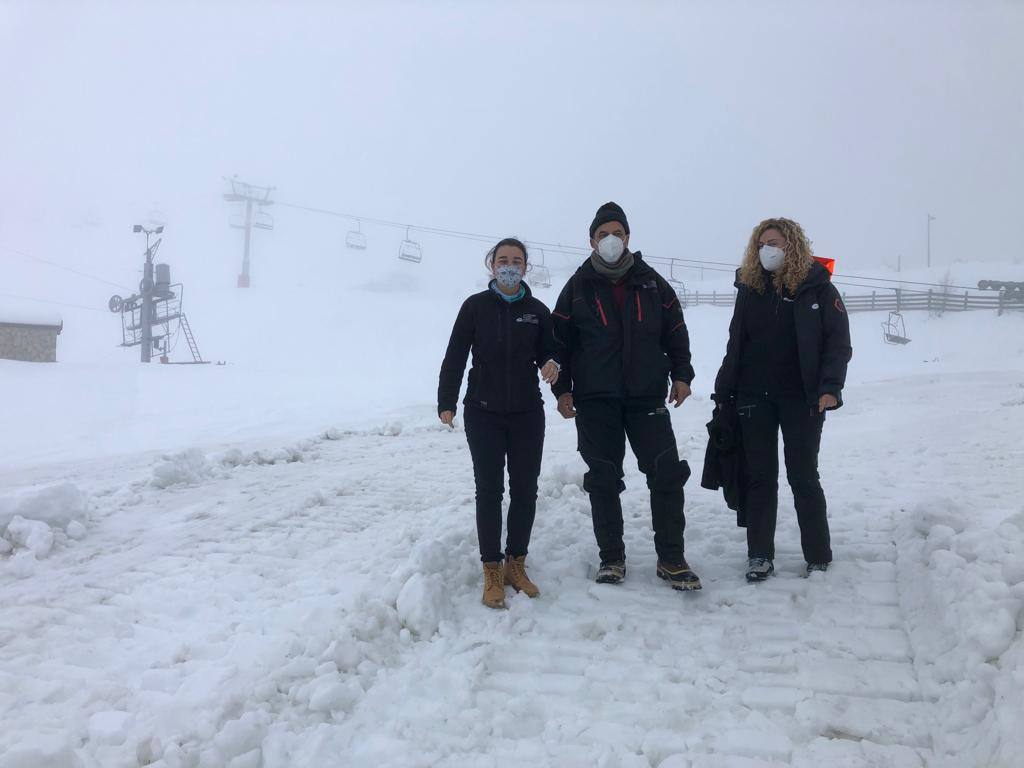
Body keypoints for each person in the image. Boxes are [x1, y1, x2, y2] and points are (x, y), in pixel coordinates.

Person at [551, 202, 701, 591]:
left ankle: (671, 558)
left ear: (628, 238)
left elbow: (676, 331)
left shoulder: (652, 283)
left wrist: (682, 375)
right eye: (603, 235)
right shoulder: (577, 288)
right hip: (595, 399)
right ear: (591, 241)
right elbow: (559, 343)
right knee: (602, 478)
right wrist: (561, 388)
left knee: (666, 473)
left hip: (646, 397)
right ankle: (611, 558)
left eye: (617, 233)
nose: (611, 240)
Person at [714, 217, 852, 582]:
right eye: (761, 244)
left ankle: (818, 555)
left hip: (801, 398)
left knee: (803, 475)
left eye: (774, 242)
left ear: (792, 245)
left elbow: (837, 345)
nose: (766, 250)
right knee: (759, 477)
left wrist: (830, 387)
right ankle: (760, 555)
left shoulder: (818, 289)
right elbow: (736, 342)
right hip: (752, 396)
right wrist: (723, 389)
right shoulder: (750, 286)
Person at [438, 238, 560, 609]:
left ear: (526, 267)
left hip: (527, 413)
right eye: (503, 260)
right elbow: (455, 356)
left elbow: (551, 351)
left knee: (525, 489)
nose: (510, 266)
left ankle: (515, 564)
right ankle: (491, 569)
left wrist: (553, 363)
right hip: (483, 412)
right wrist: (446, 402)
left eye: (517, 261)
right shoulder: (475, 307)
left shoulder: (537, 310)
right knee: (489, 491)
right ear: (492, 265)